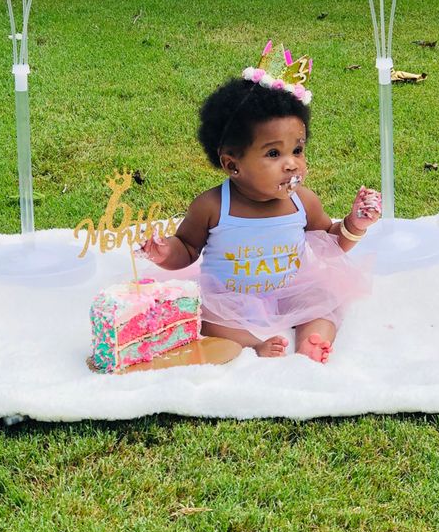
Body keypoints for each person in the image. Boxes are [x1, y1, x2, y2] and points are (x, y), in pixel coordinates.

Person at [140, 43, 381, 364]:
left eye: (297, 150)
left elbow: (331, 241)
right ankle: (254, 343)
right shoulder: (213, 205)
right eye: (273, 153)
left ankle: (314, 340)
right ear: (232, 165)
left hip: (290, 287)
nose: (292, 164)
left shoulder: (302, 201)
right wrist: (167, 252)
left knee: (323, 299)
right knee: (199, 313)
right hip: (230, 295)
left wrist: (355, 224)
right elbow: (187, 247)